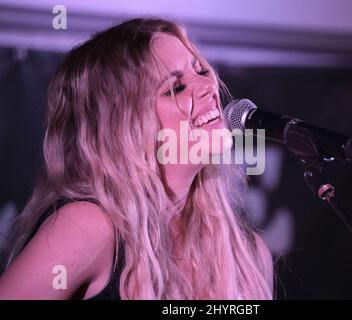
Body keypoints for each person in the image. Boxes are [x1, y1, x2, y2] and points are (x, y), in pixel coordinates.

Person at [0, 18, 274, 300]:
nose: (207, 87)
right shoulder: (87, 227)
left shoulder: (248, 256)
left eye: (200, 69)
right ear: (122, 128)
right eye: (174, 88)